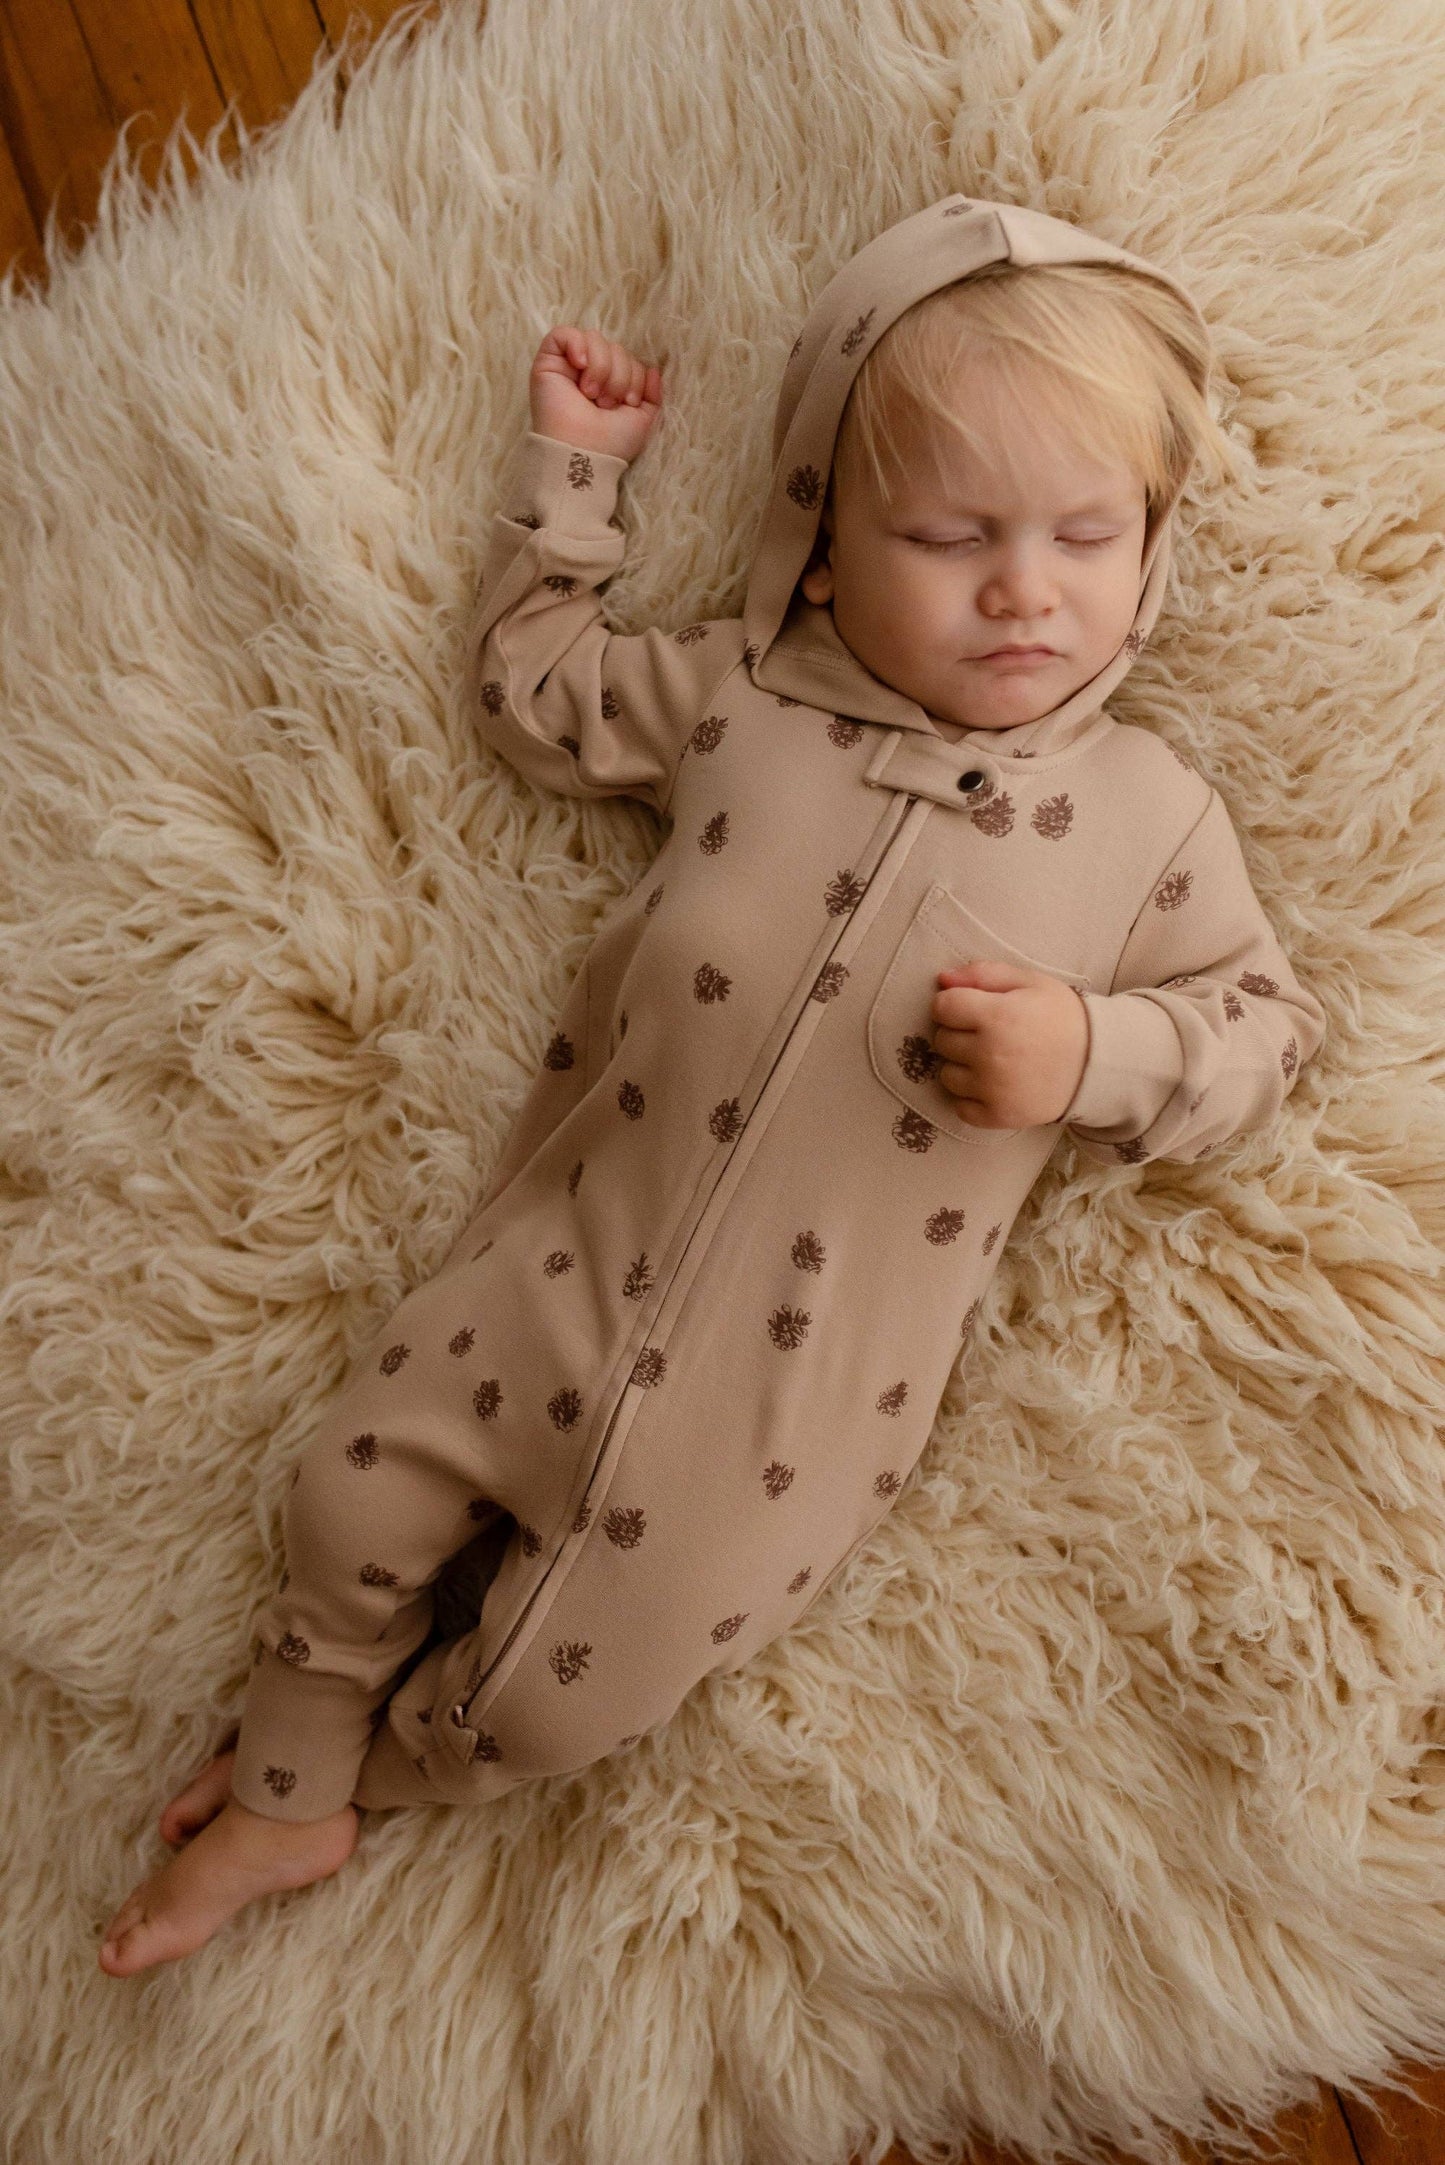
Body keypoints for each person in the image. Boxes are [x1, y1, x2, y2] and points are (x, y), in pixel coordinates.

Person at [99, 194, 1325, 1975]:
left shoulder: (1149, 821)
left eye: (1087, 532)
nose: (1022, 589)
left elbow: (1269, 1031)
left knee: (562, 1694)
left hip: (783, 1409)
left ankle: (347, 1783)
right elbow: (531, 687)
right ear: (819, 542)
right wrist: (576, 474)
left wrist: (1095, 1051)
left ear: (1154, 546)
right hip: (554, 1266)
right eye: (949, 532)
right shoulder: (748, 697)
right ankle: (288, 1776)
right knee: (345, 1501)